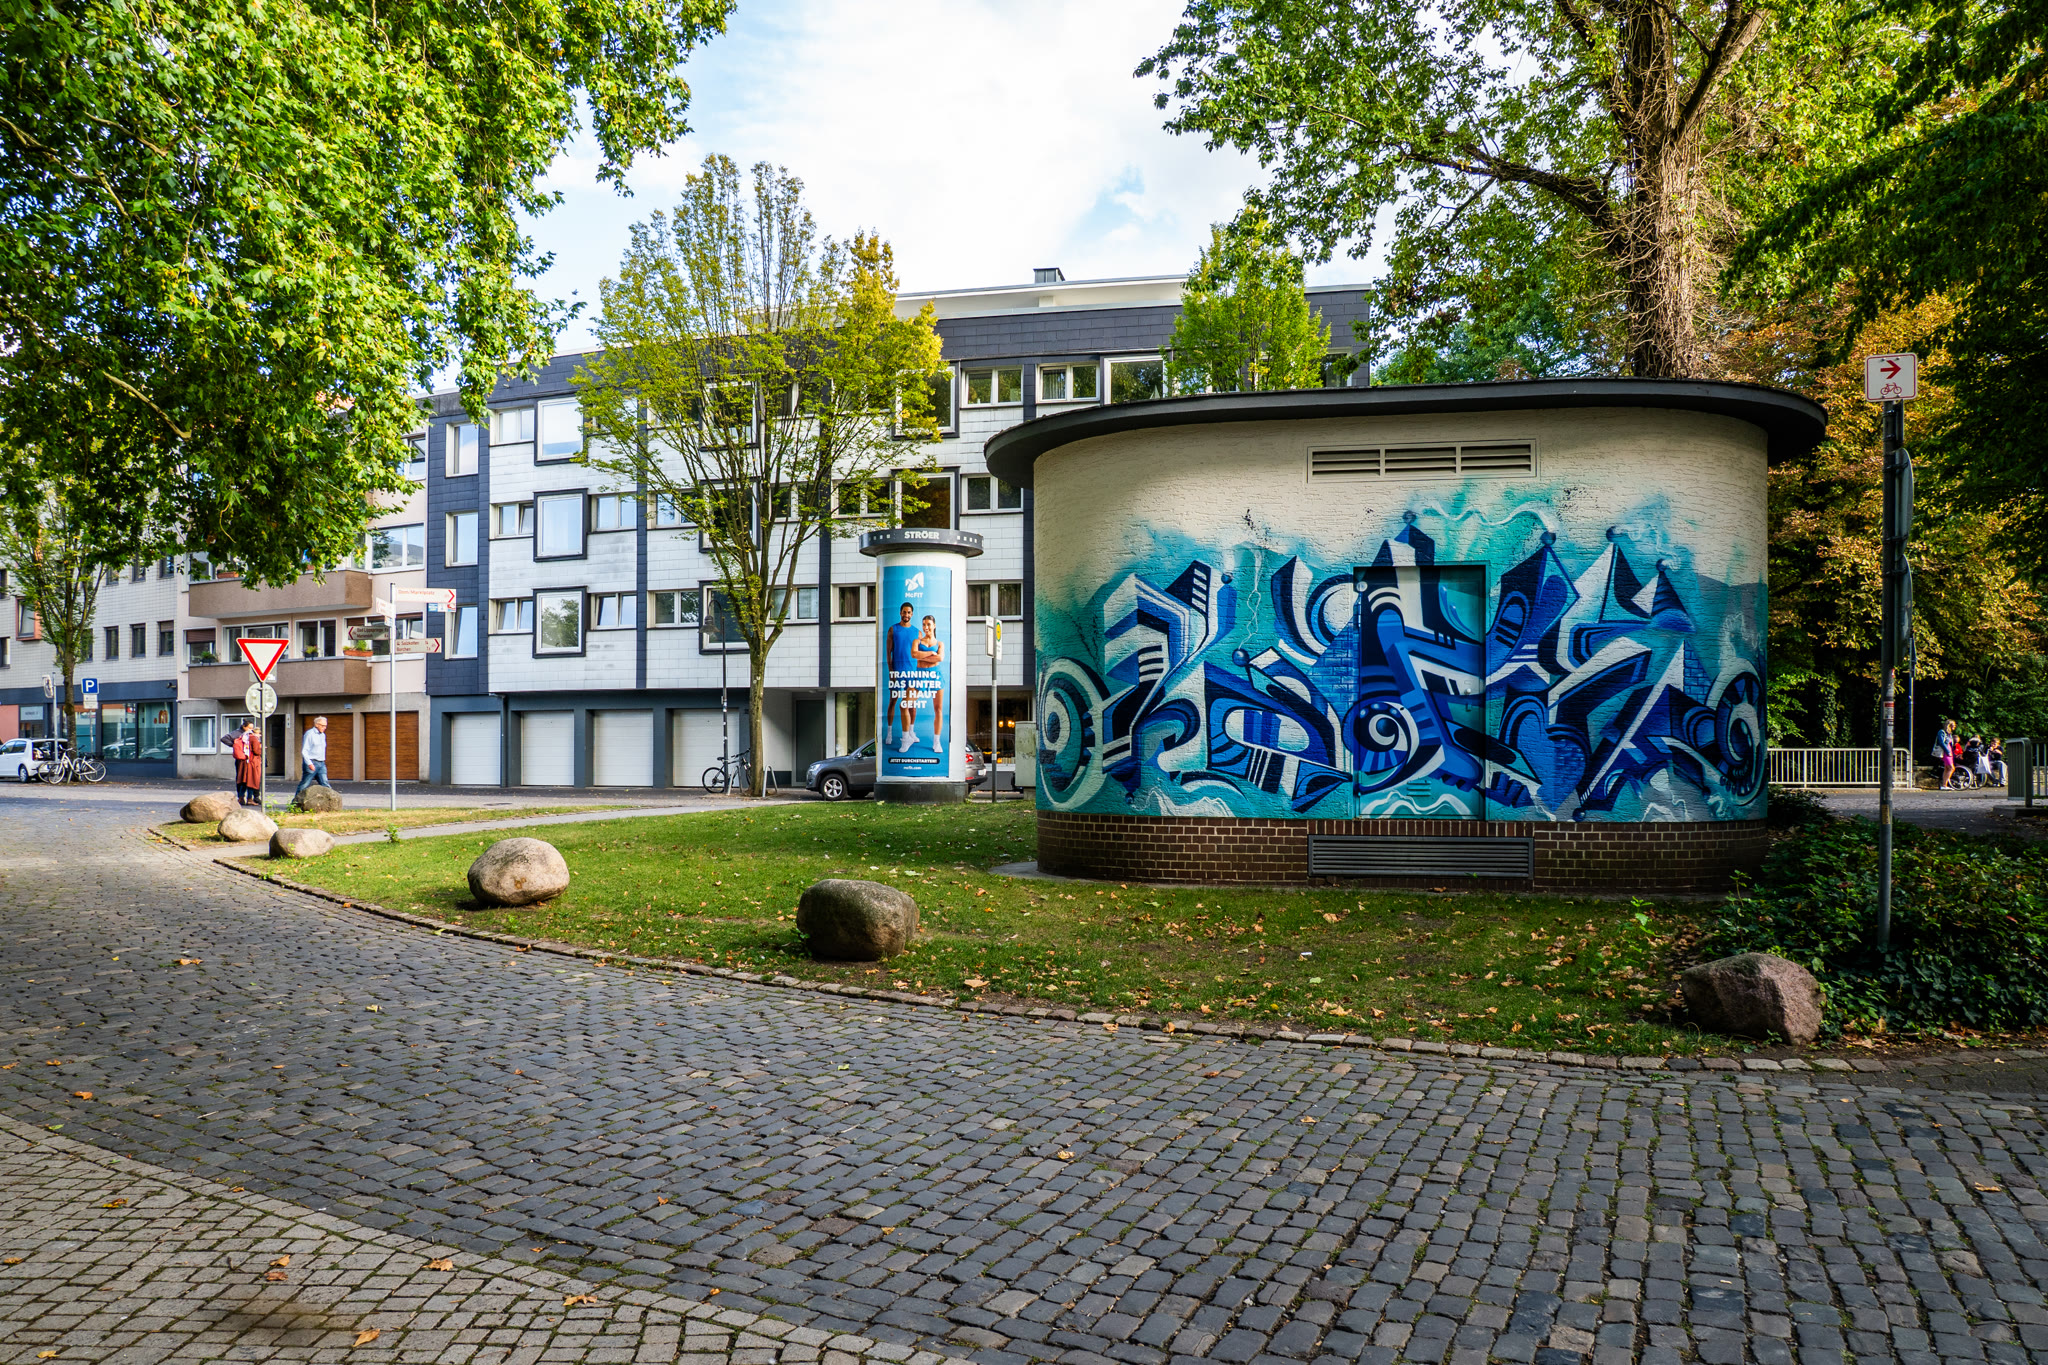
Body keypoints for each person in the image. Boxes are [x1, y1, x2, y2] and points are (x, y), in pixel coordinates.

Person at [886, 602, 921, 753]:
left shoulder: (917, 633)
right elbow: (888, 653)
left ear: (912, 614)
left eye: (909, 612)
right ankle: (889, 732)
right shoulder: (893, 629)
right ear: (900, 613)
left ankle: (911, 732)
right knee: (893, 701)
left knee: (911, 704)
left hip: (912, 673)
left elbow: (920, 656)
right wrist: (891, 672)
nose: (906, 615)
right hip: (897, 672)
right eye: (904, 612)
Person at [913, 613, 945, 754]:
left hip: (935, 674)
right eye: (924, 624)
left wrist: (923, 656)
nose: (926, 627)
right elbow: (914, 654)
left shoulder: (940, 643)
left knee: (938, 709)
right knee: (909, 703)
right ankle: (910, 734)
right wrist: (931, 654)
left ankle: (936, 741)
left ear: (934, 625)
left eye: (928, 624)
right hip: (920, 674)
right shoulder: (917, 641)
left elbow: (940, 658)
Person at [294, 715, 333, 802]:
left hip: (321, 763)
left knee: (325, 783)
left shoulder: (323, 735)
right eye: (322, 726)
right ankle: (296, 803)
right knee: (304, 784)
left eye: (325, 726)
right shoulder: (310, 734)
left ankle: (331, 803)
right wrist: (309, 763)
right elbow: (305, 750)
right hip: (312, 762)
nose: (325, 728)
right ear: (316, 725)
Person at [233, 719, 263, 807]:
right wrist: (261, 748)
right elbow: (257, 751)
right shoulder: (253, 738)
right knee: (251, 781)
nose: (260, 735)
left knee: (244, 781)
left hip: (244, 762)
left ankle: (241, 798)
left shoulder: (243, 736)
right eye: (259, 734)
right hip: (252, 762)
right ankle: (249, 799)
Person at [1934, 720, 1956, 789]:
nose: (1955, 726)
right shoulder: (1942, 732)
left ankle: (1944, 785)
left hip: (1949, 751)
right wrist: (1947, 751)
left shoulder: (1949, 734)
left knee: (1947, 768)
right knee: (1951, 768)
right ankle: (1944, 784)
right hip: (1945, 752)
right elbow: (1941, 742)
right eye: (1953, 725)